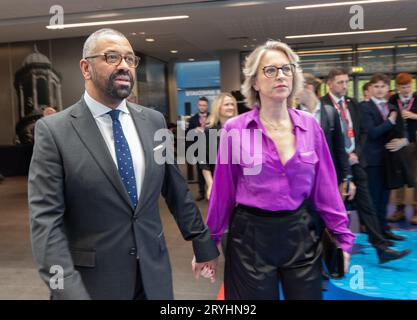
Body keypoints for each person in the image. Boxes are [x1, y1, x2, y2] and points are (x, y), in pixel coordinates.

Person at [28, 28, 219, 300]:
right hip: (91, 285)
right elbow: (46, 223)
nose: (124, 66)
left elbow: (176, 190)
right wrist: (66, 289)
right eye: (112, 57)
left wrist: (201, 241)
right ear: (85, 68)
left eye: (130, 59)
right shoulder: (54, 131)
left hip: (153, 276)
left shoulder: (154, 121)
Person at [205, 40, 354, 300]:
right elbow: (223, 191)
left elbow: (326, 188)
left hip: (300, 231)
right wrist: (210, 242)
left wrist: (342, 236)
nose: (281, 76)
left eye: (286, 69)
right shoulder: (235, 130)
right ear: (254, 82)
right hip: (250, 237)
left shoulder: (310, 125)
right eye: (270, 70)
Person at [321, 68, 409, 261]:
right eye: (340, 82)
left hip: (356, 162)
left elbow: (361, 133)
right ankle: (328, 254)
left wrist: (356, 153)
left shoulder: (351, 104)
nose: (344, 86)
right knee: (335, 211)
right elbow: (324, 139)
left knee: (367, 206)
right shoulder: (323, 106)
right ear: (329, 84)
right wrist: (345, 156)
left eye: (346, 82)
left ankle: (382, 249)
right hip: (335, 165)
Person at [361, 73, 412, 241]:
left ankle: (384, 228)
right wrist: (389, 122)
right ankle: (375, 233)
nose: (380, 89)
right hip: (373, 160)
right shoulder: (365, 107)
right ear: (370, 89)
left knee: (385, 198)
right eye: (376, 86)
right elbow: (372, 133)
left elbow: (401, 132)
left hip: (389, 160)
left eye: (383, 86)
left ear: (387, 88)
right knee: (374, 198)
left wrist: (403, 141)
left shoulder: (392, 107)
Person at [388, 73, 417, 225]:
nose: (406, 90)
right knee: (398, 176)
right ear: (397, 87)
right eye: (402, 87)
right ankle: (399, 209)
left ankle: (416, 210)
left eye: (408, 87)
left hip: (414, 141)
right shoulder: (393, 100)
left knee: (415, 177)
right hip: (398, 143)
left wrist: (413, 115)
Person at [200, 93, 238, 200]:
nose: (231, 107)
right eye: (226, 104)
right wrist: (211, 184)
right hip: (219, 181)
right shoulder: (209, 131)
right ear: (218, 107)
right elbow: (204, 162)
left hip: (239, 182)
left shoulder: (241, 128)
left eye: (232, 104)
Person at [187, 96, 210, 201]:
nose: (202, 107)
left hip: (212, 148)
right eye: (200, 105)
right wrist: (194, 130)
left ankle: (213, 191)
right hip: (198, 148)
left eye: (204, 105)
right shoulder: (192, 120)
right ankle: (201, 193)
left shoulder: (212, 117)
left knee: (213, 171)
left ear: (207, 106)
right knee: (200, 171)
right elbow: (187, 134)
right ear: (197, 106)